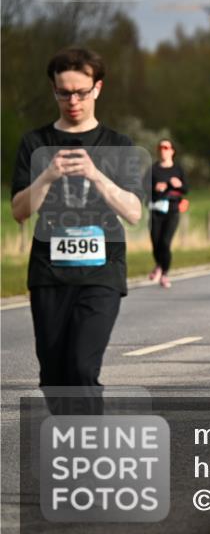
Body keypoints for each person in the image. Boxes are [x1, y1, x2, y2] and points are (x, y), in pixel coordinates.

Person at [11, 47, 144, 411]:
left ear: (97, 89)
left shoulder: (118, 145)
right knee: (54, 376)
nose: (73, 100)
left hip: (102, 270)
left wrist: (95, 174)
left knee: (82, 368)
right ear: (54, 90)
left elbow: (133, 212)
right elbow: (20, 212)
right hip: (49, 272)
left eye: (81, 92)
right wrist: (48, 174)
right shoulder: (34, 143)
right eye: (64, 92)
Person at [148, 138, 188, 288]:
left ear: (172, 151)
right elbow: (143, 190)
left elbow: (186, 189)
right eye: (160, 147)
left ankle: (164, 273)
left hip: (172, 210)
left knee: (165, 242)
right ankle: (159, 264)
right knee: (156, 242)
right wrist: (154, 188)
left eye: (166, 147)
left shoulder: (178, 169)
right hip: (156, 210)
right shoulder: (153, 169)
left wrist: (179, 185)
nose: (163, 150)